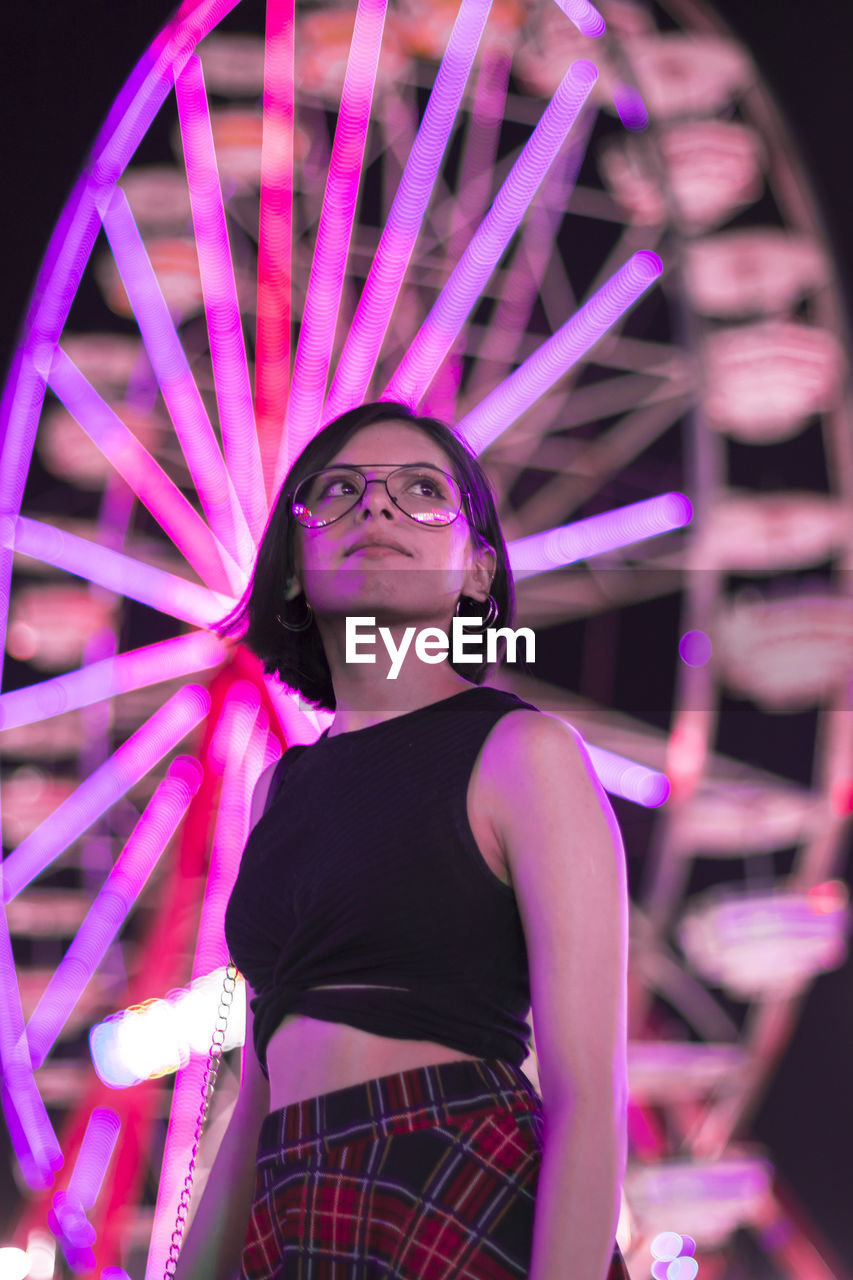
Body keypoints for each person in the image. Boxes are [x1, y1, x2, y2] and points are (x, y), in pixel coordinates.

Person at [172, 401, 630, 1280]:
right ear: (295, 576)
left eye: (423, 493)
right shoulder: (281, 788)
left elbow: (586, 1093)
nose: (375, 509)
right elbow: (260, 1087)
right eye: (337, 493)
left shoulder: (524, 754)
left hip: (455, 1171)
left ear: (476, 573)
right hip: (295, 1197)